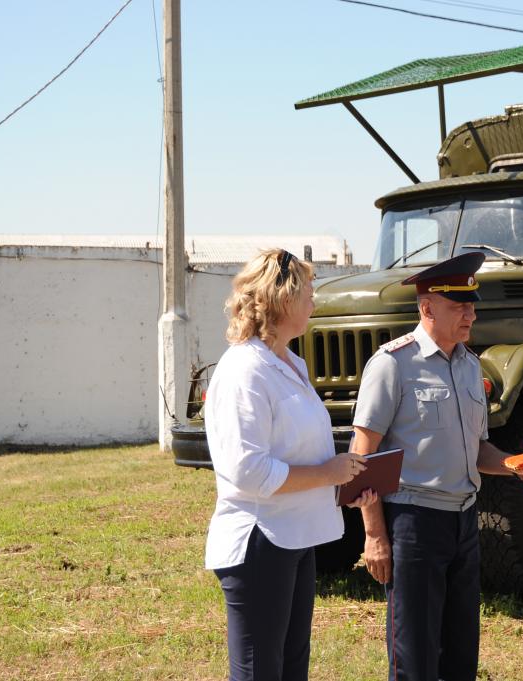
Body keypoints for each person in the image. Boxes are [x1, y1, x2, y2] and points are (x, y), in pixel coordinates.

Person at [350, 251, 523, 681]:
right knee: (415, 660)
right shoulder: (392, 365)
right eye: (460, 306)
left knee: (461, 657)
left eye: (472, 305)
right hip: (413, 525)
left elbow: (477, 451)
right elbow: (361, 457)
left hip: (463, 523)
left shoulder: (469, 365)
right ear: (427, 308)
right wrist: (374, 535)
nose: (471, 315)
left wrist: (519, 465)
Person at [204, 248, 370, 681]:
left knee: (292, 669)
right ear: (282, 299)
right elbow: (248, 471)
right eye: (309, 290)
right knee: (262, 672)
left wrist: (344, 482)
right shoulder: (244, 370)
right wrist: (328, 474)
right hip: (260, 542)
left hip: (295, 537)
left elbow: (301, 450)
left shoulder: (291, 362)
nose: (315, 299)